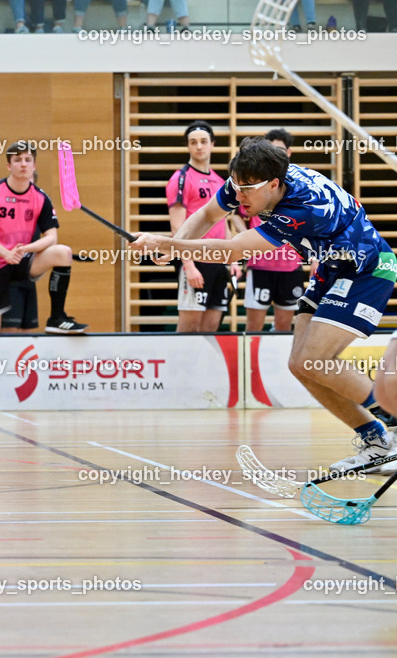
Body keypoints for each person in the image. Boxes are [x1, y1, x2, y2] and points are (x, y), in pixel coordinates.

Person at [129, 137, 397, 475]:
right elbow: (208, 213)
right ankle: (377, 442)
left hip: (366, 269)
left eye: (247, 190)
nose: (239, 197)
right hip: (330, 268)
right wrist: (174, 245)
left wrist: (168, 242)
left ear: (273, 184)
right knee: (300, 365)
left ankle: (393, 419)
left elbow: (232, 250)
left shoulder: (303, 208)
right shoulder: (250, 179)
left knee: (314, 359)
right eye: (236, 187)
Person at [0, 140, 87, 335]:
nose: (23, 164)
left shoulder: (40, 198)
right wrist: (5, 253)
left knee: (62, 253)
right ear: (9, 166)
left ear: (34, 165)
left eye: (27, 159)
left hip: (20, 259)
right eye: (17, 160)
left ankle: (57, 317)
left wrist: (26, 249)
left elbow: (51, 237)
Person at [166, 121, 241, 333]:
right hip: (194, 259)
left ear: (212, 144)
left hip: (217, 260)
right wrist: (188, 266)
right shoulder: (181, 179)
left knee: (212, 326)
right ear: (188, 146)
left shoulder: (220, 181)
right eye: (193, 142)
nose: (199, 146)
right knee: (190, 325)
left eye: (203, 141)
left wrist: (232, 260)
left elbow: (224, 223)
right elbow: (177, 227)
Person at [243, 129, 306, 333]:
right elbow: (237, 214)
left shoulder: (301, 185)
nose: (275, 155)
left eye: (280, 150)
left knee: (284, 327)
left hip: (291, 266)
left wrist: (314, 257)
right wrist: (246, 239)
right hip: (260, 265)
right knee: (254, 326)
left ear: (289, 152)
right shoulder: (256, 183)